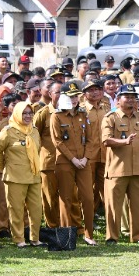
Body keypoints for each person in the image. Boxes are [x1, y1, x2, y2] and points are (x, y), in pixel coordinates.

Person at [101, 85, 139, 244]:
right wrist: (124, 141)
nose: (130, 99)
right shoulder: (111, 117)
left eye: (133, 97)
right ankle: (112, 237)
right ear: (118, 99)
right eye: (126, 96)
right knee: (113, 206)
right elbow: (106, 140)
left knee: (136, 206)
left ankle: (138, 237)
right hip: (117, 169)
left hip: (137, 168)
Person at [44, 82, 91, 245]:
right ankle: (66, 236)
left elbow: (90, 140)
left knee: (86, 197)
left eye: (76, 96)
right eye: (70, 97)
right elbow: (57, 141)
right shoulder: (55, 116)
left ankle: (87, 233)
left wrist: (84, 159)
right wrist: (73, 159)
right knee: (65, 198)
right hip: (64, 161)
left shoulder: (83, 115)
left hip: (83, 161)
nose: (74, 100)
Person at [0, 100, 44, 246]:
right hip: (15, 176)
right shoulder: (8, 130)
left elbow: (37, 150)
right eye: (24, 113)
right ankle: (19, 239)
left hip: (33, 175)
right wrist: (2, 168)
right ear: (16, 114)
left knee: (36, 209)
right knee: (16, 209)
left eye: (30, 113)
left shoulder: (34, 130)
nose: (27, 116)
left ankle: (35, 238)